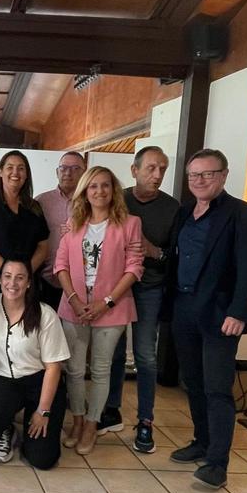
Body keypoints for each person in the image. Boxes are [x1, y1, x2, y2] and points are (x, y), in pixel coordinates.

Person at [167, 149, 247, 490]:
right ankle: (202, 441)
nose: (200, 180)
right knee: (192, 382)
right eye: (194, 175)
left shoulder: (244, 215)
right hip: (184, 307)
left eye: (208, 174)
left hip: (221, 314)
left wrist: (240, 311)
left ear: (224, 175)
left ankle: (218, 462)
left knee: (217, 389)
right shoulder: (184, 213)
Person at [54, 166, 144, 455]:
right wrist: (75, 300)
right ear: (84, 191)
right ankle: (77, 420)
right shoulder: (74, 223)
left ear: (114, 190)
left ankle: (93, 424)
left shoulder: (130, 223)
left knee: (102, 369)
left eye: (105, 185)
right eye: (93, 186)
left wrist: (105, 302)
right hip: (74, 308)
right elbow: (61, 265)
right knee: (74, 369)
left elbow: (134, 268)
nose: (99, 191)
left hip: (112, 309)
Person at [101, 146, 179, 452]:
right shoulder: (117, 199)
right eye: (150, 168)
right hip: (117, 286)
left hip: (150, 288)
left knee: (145, 355)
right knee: (114, 351)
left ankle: (145, 421)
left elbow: (176, 256)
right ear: (134, 171)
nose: (157, 175)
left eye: (162, 168)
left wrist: (153, 251)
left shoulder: (173, 208)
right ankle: (111, 408)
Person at [0, 260, 69, 469]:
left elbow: (54, 367)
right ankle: (7, 429)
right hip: (3, 380)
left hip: (40, 382)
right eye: (8, 276)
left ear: (29, 282)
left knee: (42, 460)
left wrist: (43, 411)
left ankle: (33, 423)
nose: (13, 283)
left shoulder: (45, 314)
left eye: (20, 277)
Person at [0, 150, 49, 295]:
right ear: (0, 172)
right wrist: (10, 272)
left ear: (26, 175)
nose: (15, 172)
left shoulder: (34, 207)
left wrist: (25, 272)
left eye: (21, 168)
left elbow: (43, 246)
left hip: (26, 285)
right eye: (10, 167)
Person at [34, 151, 86, 308]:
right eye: (63, 168)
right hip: (46, 279)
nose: (68, 173)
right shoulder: (41, 201)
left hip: (82, 281)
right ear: (57, 172)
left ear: (85, 172)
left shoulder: (92, 201)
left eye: (75, 168)